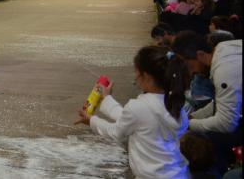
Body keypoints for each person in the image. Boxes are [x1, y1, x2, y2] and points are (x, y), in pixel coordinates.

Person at [78, 46, 190, 178]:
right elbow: (134, 119)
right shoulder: (174, 104)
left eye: (136, 72)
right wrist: (107, 98)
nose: (135, 77)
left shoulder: (139, 107)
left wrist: (91, 121)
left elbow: (116, 132)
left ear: (146, 76)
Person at [171, 34, 242, 174]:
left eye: (190, 66)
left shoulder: (225, 70)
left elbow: (226, 123)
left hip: (230, 123)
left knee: (200, 144)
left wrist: (187, 124)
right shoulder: (223, 49)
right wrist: (193, 116)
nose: (192, 72)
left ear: (201, 54)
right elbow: (220, 102)